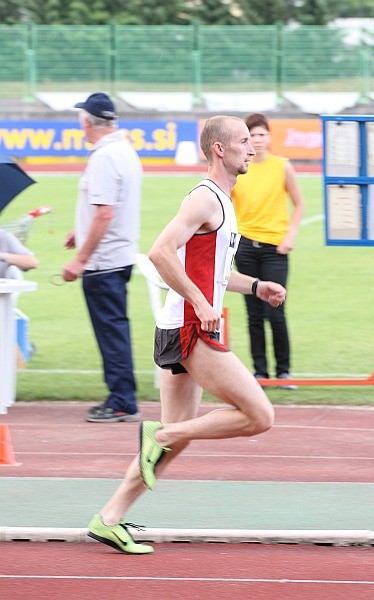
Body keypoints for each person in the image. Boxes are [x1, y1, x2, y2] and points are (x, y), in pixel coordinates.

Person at [86, 115, 286, 555]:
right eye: (242, 142)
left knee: (177, 435)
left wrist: (254, 286)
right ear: (219, 149)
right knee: (258, 416)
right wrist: (199, 301)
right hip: (191, 329)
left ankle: (109, 517)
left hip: (178, 325)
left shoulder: (225, 203)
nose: (251, 148)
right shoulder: (204, 198)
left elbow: (216, 273)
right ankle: (155, 437)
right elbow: (159, 252)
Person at [62, 92, 142, 423]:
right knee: (115, 327)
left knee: (110, 331)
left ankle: (122, 399)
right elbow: (107, 210)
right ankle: (122, 395)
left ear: (86, 122)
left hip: (103, 262)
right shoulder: (123, 151)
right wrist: (80, 231)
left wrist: (80, 259)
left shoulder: (104, 157)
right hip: (117, 254)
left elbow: (104, 214)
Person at [231, 113, 304, 390]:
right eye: (252, 135)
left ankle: (284, 372)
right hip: (246, 247)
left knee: (276, 310)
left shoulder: (282, 167)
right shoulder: (241, 169)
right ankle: (260, 372)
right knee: (253, 314)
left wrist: (290, 236)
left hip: (276, 248)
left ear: (270, 137)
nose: (258, 140)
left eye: (262, 134)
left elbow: (299, 204)